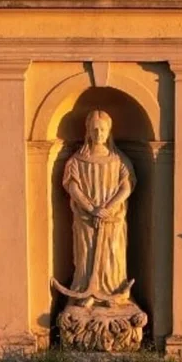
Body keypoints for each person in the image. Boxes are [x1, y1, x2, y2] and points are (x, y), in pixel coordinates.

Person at [59, 109, 135, 306]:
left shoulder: (118, 160)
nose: (98, 134)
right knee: (86, 255)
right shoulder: (77, 160)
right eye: (94, 130)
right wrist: (92, 209)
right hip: (86, 218)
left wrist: (108, 208)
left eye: (102, 130)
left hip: (112, 219)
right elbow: (72, 187)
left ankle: (112, 291)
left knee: (111, 254)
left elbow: (127, 186)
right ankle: (87, 292)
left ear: (109, 131)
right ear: (88, 131)